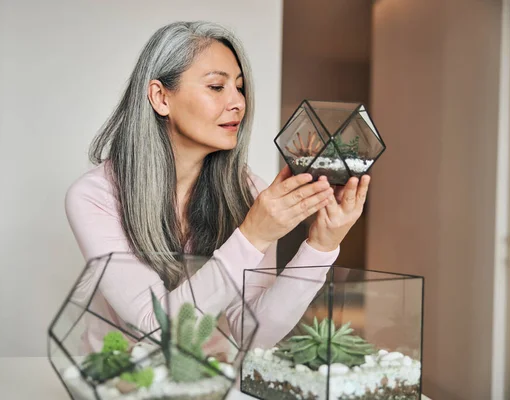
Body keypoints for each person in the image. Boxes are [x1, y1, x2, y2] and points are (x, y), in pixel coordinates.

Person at [65, 21, 370, 353]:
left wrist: (321, 246)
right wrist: (253, 235)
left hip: (210, 384)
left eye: (239, 88)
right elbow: (155, 330)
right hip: (121, 385)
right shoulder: (96, 197)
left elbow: (253, 334)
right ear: (160, 97)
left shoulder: (248, 191)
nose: (238, 102)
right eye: (216, 87)